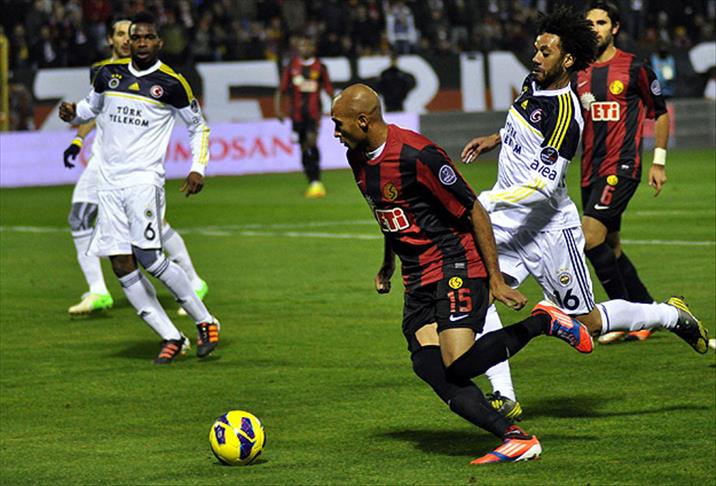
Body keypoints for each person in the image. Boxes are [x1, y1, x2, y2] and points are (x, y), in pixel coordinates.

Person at [332, 82, 600, 465]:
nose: (335, 132)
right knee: (427, 364)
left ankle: (544, 321)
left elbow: (475, 209)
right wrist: (388, 262)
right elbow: (390, 214)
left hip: (455, 262)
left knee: (457, 362)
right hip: (417, 275)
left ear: (362, 120)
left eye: (339, 124)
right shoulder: (357, 157)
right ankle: (515, 438)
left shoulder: (417, 155)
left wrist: (495, 279)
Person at [459, 6, 707, 408]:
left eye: (545, 52)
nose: (535, 58)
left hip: (548, 231)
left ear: (568, 59)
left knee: (587, 321)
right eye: (536, 49)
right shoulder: (534, 82)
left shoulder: (566, 115)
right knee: (481, 294)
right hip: (506, 225)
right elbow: (522, 122)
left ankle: (669, 315)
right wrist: (496, 137)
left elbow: (543, 186)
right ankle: (505, 394)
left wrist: (486, 200)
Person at [58, 11, 220, 364]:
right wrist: (73, 113)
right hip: (108, 183)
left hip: (143, 181)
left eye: (148, 37)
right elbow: (90, 108)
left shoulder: (172, 83)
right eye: (136, 37)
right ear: (128, 42)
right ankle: (170, 336)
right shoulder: (108, 75)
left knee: (150, 258)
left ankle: (205, 321)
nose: (141, 43)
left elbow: (198, 127)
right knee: (120, 264)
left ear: (158, 43)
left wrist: (198, 167)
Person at [576, 1, 671, 343]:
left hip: (622, 165)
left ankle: (623, 319)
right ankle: (646, 309)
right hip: (590, 169)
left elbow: (660, 112)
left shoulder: (634, 67)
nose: (595, 29)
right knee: (610, 244)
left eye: (601, 23)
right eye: (589, 24)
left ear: (614, 28)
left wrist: (658, 161)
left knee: (589, 238)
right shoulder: (578, 71)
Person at [274, 34, 334, 199]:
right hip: (297, 116)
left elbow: (329, 89)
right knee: (303, 146)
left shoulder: (320, 67)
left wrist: (335, 106)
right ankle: (312, 180)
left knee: (311, 141)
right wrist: (278, 110)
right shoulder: (291, 66)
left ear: (313, 48)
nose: (304, 48)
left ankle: (316, 180)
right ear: (297, 48)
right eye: (301, 45)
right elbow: (281, 90)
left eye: (307, 45)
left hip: (314, 114)